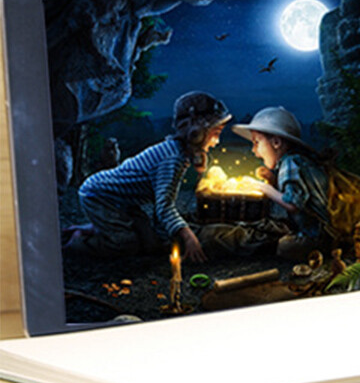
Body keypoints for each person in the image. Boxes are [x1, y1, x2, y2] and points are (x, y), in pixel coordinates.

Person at [68, 90, 230, 261]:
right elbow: (164, 207)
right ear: (196, 132)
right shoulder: (173, 159)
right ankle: (76, 242)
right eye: (215, 134)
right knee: (125, 244)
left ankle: (102, 226)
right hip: (100, 195)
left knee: (150, 243)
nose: (217, 141)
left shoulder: (176, 151)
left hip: (124, 200)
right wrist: (188, 237)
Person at [234, 107, 332, 260]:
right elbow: (293, 191)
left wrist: (264, 188)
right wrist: (272, 180)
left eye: (257, 142)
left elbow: (293, 204)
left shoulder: (290, 163)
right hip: (316, 231)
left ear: (276, 142)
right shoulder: (296, 161)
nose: (254, 150)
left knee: (284, 247)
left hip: (317, 234)